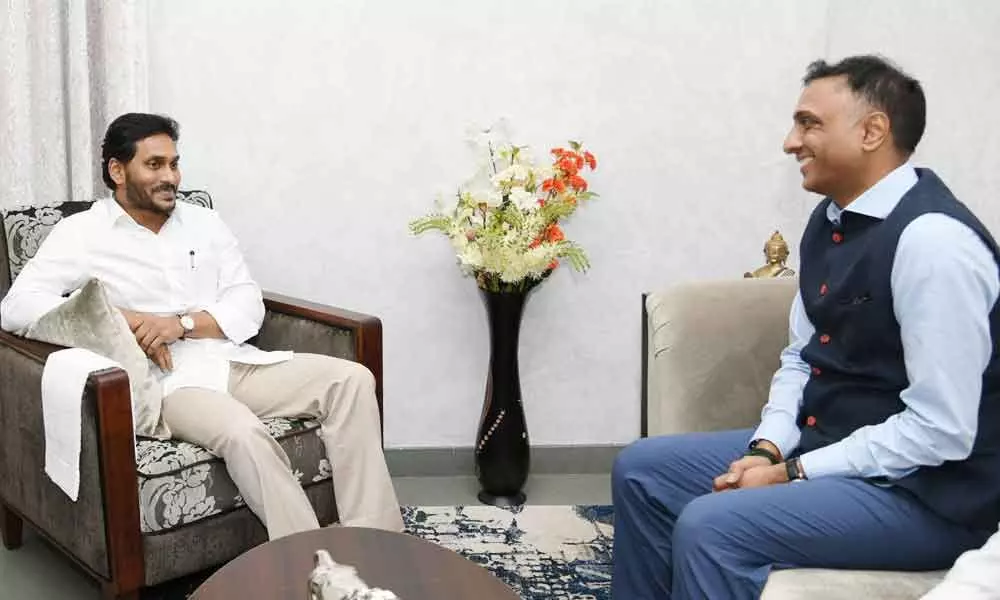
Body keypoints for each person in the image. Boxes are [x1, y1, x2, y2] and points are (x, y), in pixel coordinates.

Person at [612, 55, 1000, 599]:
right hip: (834, 448)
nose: (790, 142)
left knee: (713, 527)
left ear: (872, 131)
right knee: (642, 471)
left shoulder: (934, 244)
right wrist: (770, 448)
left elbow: (942, 431)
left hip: (931, 495)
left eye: (809, 123)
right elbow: (802, 355)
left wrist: (794, 473)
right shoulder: (832, 219)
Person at [0, 113, 404, 539]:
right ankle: (306, 563)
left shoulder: (204, 223)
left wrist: (180, 324)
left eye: (174, 164)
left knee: (352, 380)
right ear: (117, 171)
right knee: (243, 432)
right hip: (169, 384)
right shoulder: (81, 234)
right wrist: (126, 320)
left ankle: (373, 544)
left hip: (233, 360)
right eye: (154, 165)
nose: (170, 176)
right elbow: (16, 308)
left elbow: (247, 303)